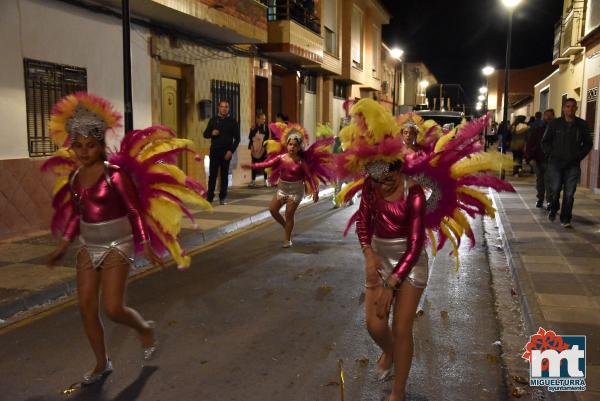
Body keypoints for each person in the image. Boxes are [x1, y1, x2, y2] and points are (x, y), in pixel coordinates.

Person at [43, 93, 211, 386]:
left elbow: (134, 212)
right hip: (88, 245)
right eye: (78, 145)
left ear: (100, 145)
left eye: (90, 145)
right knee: (84, 306)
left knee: (112, 308)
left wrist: (145, 243)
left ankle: (144, 328)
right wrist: (62, 245)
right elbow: (75, 216)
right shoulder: (74, 178)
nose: (83, 152)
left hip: (116, 244)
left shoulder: (115, 176)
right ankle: (101, 363)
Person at [244, 129, 319, 247]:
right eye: (290, 144)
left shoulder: (301, 162)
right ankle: (286, 226)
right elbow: (266, 164)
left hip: (296, 191)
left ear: (299, 148)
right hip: (282, 189)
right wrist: (252, 166)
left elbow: (309, 177)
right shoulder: (281, 158)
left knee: (289, 214)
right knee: (272, 209)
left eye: (295, 145)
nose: (292, 147)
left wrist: (315, 191)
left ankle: (287, 239)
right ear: (287, 145)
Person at [542, 99, 593, 227]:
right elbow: (545, 142)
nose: (570, 109)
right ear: (563, 108)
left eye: (572, 107)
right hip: (555, 163)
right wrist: (551, 155)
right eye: (567, 106)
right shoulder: (555, 124)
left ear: (576, 108)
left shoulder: (582, 125)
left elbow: (588, 143)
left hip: (573, 164)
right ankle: (553, 208)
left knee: (569, 193)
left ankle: (565, 218)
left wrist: (579, 156)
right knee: (555, 190)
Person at [203, 100, 241, 205]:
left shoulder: (233, 122)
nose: (224, 108)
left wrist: (231, 151)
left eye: (226, 107)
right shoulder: (213, 120)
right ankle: (210, 197)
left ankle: (222, 197)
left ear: (228, 109)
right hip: (214, 152)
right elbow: (205, 134)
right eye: (222, 106)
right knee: (212, 176)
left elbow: (237, 139)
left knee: (224, 176)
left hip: (226, 153)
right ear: (218, 107)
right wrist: (212, 133)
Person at [525, 109, 555, 208]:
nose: (548, 117)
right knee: (540, 181)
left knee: (549, 181)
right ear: (543, 117)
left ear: (554, 116)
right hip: (537, 159)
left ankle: (550, 201)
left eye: (550, 115)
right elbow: (529, 145)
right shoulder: (537, 130)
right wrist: (530, 158)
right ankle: (540, 199)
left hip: (550, 161)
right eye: (546, 115)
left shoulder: (556, 131)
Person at [248, 112, 269, 187]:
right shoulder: (253, 127)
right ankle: (253, 180)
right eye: (262, 119)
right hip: (254, 148)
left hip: (263, 148)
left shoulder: (266, 127)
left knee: (265, 164)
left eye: (264, 119)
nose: (264, 120)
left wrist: (264, 147)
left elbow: (267, 138)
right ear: (258, 119)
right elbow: (250, 137)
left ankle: (265, 180)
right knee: (254, 164)